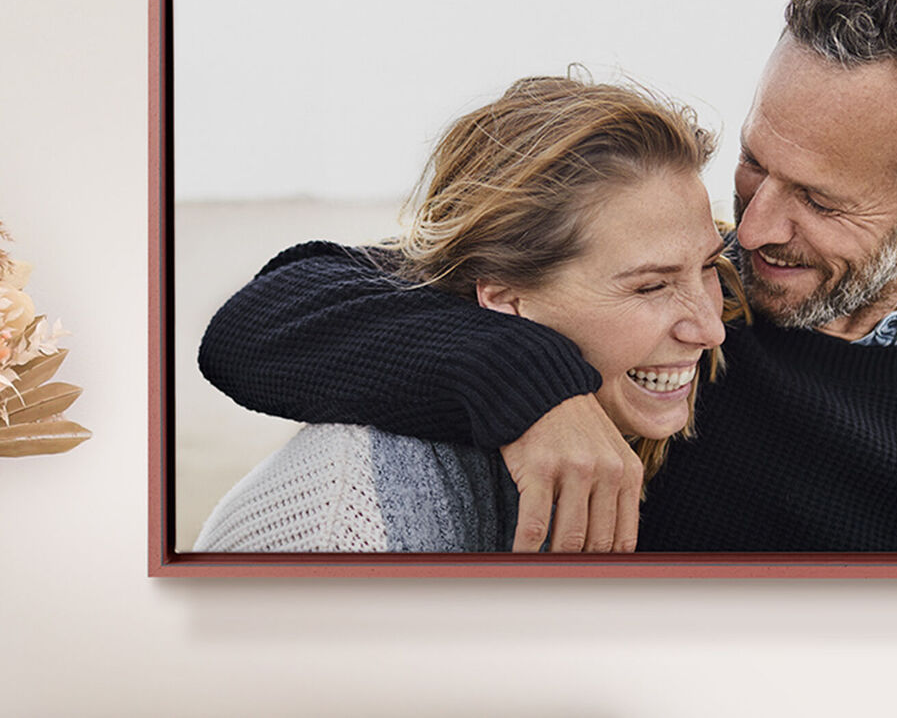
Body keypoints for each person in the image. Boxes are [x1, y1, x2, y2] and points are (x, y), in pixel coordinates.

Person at [199, 0, 897, 553]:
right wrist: (531, 388)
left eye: (818, 200)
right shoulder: (650, 305)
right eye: (758, 166)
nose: (754, 229)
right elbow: (269, 317)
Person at [195, 75, 737, 551]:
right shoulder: (353, 515)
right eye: (650, 287)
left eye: (710, 264)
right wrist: (522, 378)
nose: (711, 328)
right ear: (502, 301)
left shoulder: (762, 306)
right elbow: (261, 318)